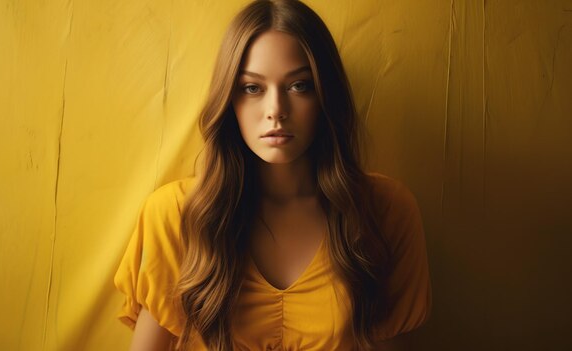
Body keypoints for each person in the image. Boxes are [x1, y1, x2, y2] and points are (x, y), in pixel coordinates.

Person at [114, 0, 432, 350]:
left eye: (299, 86)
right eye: (252, 88)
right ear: (228, 99)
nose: (276, 111)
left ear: (326, 95)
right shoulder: (175, 216)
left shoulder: (385, 212)